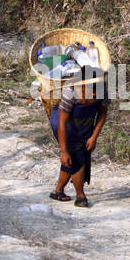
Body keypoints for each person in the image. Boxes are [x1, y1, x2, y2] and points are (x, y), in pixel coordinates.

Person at [47, 65, 108, 207]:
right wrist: (64, 151)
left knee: (81, 154)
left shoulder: (103, 91)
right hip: (63, 123)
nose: (92, 99)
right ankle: (80, 195)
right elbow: (62, 122)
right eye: (90, 95)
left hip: (85, 123)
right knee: (75, 155)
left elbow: (102, 114)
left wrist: (94, 137)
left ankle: (58, 191)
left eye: (95, 96)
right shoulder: (70, 91)